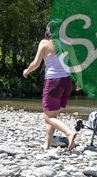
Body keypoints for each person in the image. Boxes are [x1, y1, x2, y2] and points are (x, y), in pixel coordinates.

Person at [23, 20, 77, 151]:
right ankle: (46, 145)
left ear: (48, 31)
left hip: (53, 82)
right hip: (67, 82)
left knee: (48, 117)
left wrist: (26, 71)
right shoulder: (68, 44)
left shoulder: (45, 43)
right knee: (53, 115)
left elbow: (36, 64)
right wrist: (79, 82)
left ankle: (69, 133)